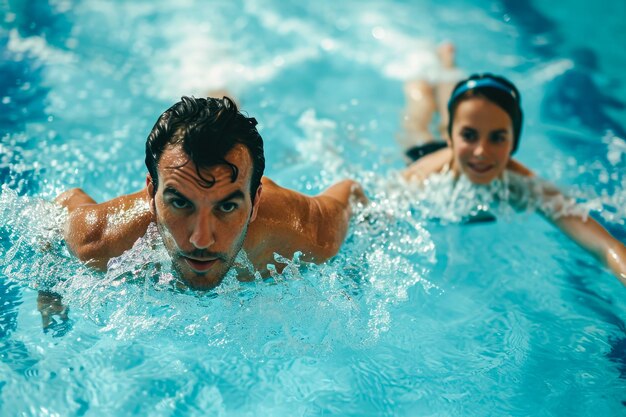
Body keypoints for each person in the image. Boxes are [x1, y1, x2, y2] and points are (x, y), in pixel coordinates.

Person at [56, 96, 364, 290]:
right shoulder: (98, 238)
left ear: (255, 202)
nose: (200, 240)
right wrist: (50, 295)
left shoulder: (308, 233)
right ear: (151, 194)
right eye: (179, 203)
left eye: (227, 207)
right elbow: (63, 204)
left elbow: (351, 190)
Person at [401, 66, 626, 286]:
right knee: (420, 119)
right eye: (469, 135)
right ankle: (424, 75)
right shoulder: (419, 177)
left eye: (497, 138)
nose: (481, 151)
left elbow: (605, 247)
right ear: (452, 139)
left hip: (458, 149)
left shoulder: (529, 186)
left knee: (456, 118)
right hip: (427, 152)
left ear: (513, 143)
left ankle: (448, 70)